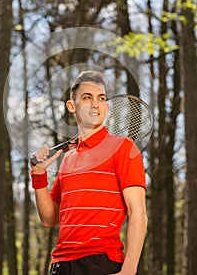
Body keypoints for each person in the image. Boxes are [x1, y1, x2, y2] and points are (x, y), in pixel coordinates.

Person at [30, 70, 147, 275]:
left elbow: (138, 212)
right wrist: (39, 176)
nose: (95, 104)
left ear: (106, 107)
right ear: (72, 106)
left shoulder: (123, 148)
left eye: (101, 98)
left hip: (100, 262)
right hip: (60, 264)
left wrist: (129, 270)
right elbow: (49, 219)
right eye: (87, 98)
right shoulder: (68, 158)